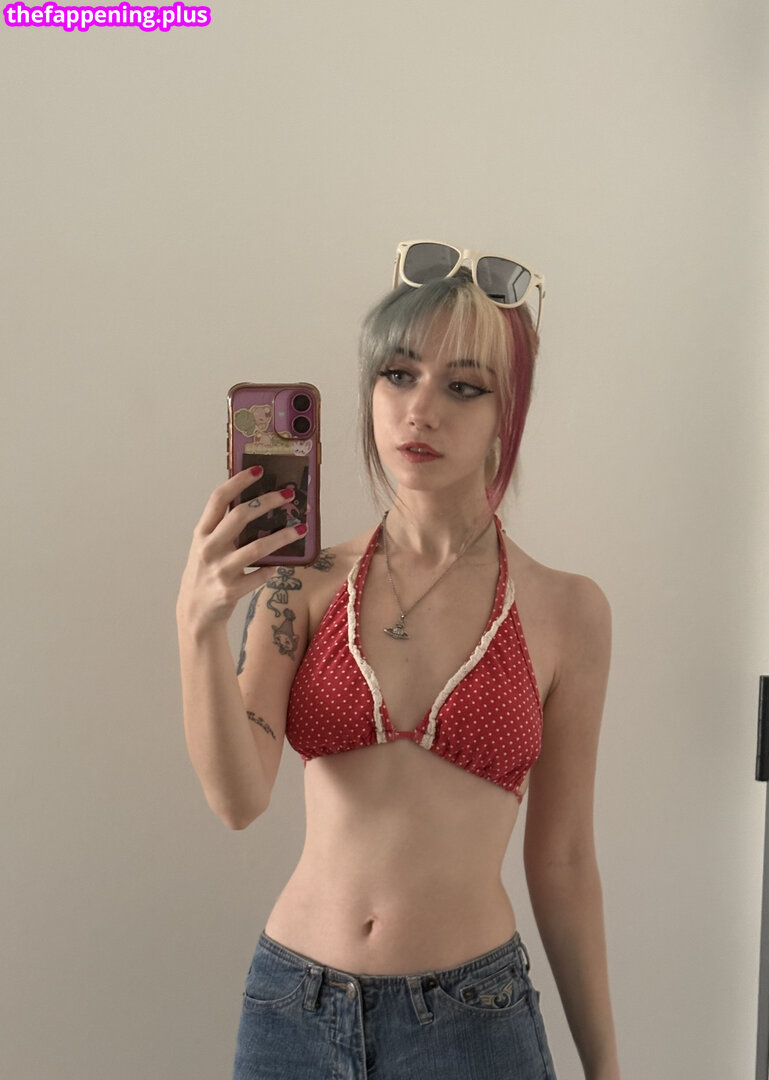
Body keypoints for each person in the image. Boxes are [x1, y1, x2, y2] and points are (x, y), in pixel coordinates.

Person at [176, 241, 620, 1080]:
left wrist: (607, 1067)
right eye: (398, 375)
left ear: (508, 412)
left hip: (472, 1024)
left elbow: (562, 860)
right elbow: (237, 801)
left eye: (463, 386)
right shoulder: (301, 585)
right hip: (292, 1012)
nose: (420, 410)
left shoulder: (568, 611)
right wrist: (197, 624)